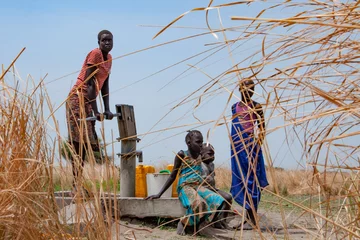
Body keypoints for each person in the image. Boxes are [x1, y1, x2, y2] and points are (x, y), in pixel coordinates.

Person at [146, 130, 227, 235]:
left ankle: (196, 225)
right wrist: (159, 194)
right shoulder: (181, 154)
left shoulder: (200, 155)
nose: (200, 145)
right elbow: (172, 176)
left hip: (198, 186)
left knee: (219, 200)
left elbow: (209, 158)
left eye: (201, 142)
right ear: (189, 143)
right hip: (185, 187)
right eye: (198, 142)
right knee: (198, 203)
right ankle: (183, 223)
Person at [66, 30, 114, 197]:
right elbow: (90, 84)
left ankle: (77, 185)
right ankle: (75, 186)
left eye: (109, 40)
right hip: (78, 99)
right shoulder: (95, 54)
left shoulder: (109, 59)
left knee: (86, 144)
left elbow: (105, 84)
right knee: (78, 144)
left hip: (89, 101)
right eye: (104, 40)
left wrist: (106, 108)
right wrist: (95, 110)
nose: (107, 43)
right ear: (98, 42)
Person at [230, 79, 269, 229]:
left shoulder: (256, 106)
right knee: (241, 180)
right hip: (236, 150)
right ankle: (248, 219)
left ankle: (253, 220)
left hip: (250, 149)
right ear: (240, 89)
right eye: (247, 89)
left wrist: (257, 145)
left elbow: (262, 128)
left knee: (251, 181)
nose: (249, 92)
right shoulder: (234, 108)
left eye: (252, 89)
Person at [201, 143, 232, 229]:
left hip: (212, 189)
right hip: (203, 190)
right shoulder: (198, 165)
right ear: (201, 154)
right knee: (219, 200)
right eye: (209, 154)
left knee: (228, 197)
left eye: (213, 154)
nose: (212, 156)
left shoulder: (211, 164)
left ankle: (222, 220)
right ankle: (215, 221)